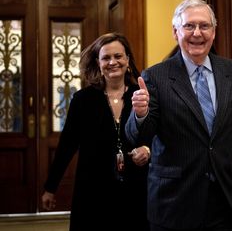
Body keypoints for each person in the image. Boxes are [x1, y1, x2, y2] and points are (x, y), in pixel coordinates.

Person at [125, 0, 232, 231]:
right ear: (175, 31)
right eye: (189, 26)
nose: (197, 33)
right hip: (175, 202)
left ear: (214, 31)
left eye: (204, 26)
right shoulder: (156, 77)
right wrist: (140, 114)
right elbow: (139, 137)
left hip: (225, 198)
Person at [41, 32, 150, 231]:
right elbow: (67, 144)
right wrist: (51, 187)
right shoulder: (83, 100)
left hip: (136, 189)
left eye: (118, 56)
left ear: (127, 59)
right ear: (98, 63)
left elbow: (157, 136)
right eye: (106, 57)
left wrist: (147, 150)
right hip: (93, 190)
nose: (112, 62)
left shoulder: (142, 96)